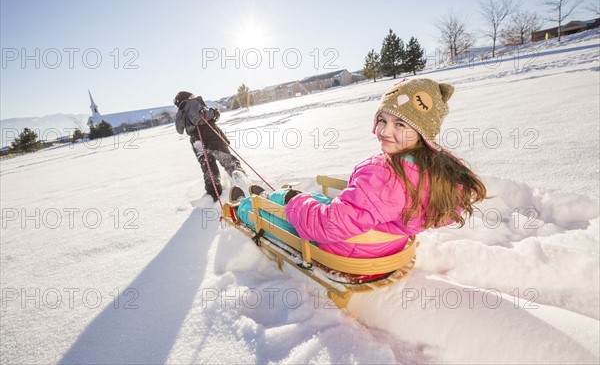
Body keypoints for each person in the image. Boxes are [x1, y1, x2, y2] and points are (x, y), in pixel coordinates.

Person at [233, 78, 487, 259]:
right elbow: (363, 206)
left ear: (422, 133)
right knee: (317, 199)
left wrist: (294, 202)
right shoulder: (435, 170)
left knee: (282, 205)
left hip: (349, 249)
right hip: (387, 244)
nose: (385, 131)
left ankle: (246, 206)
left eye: (400, 124)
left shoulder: (385, 175)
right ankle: (275, 199)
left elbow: (328, 226)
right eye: (383, 120)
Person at [174, 91, 247, 202]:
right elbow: (200, 117)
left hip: (196, 141)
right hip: (210, 137)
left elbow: (182, 128)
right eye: (191, 95)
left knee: (208, 168)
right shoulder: (191, 103)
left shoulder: (181, 112)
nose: (193, 97)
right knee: (228, 161)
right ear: (188, 97)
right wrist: (213, 112)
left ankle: (213, 194)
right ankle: (243, 183)